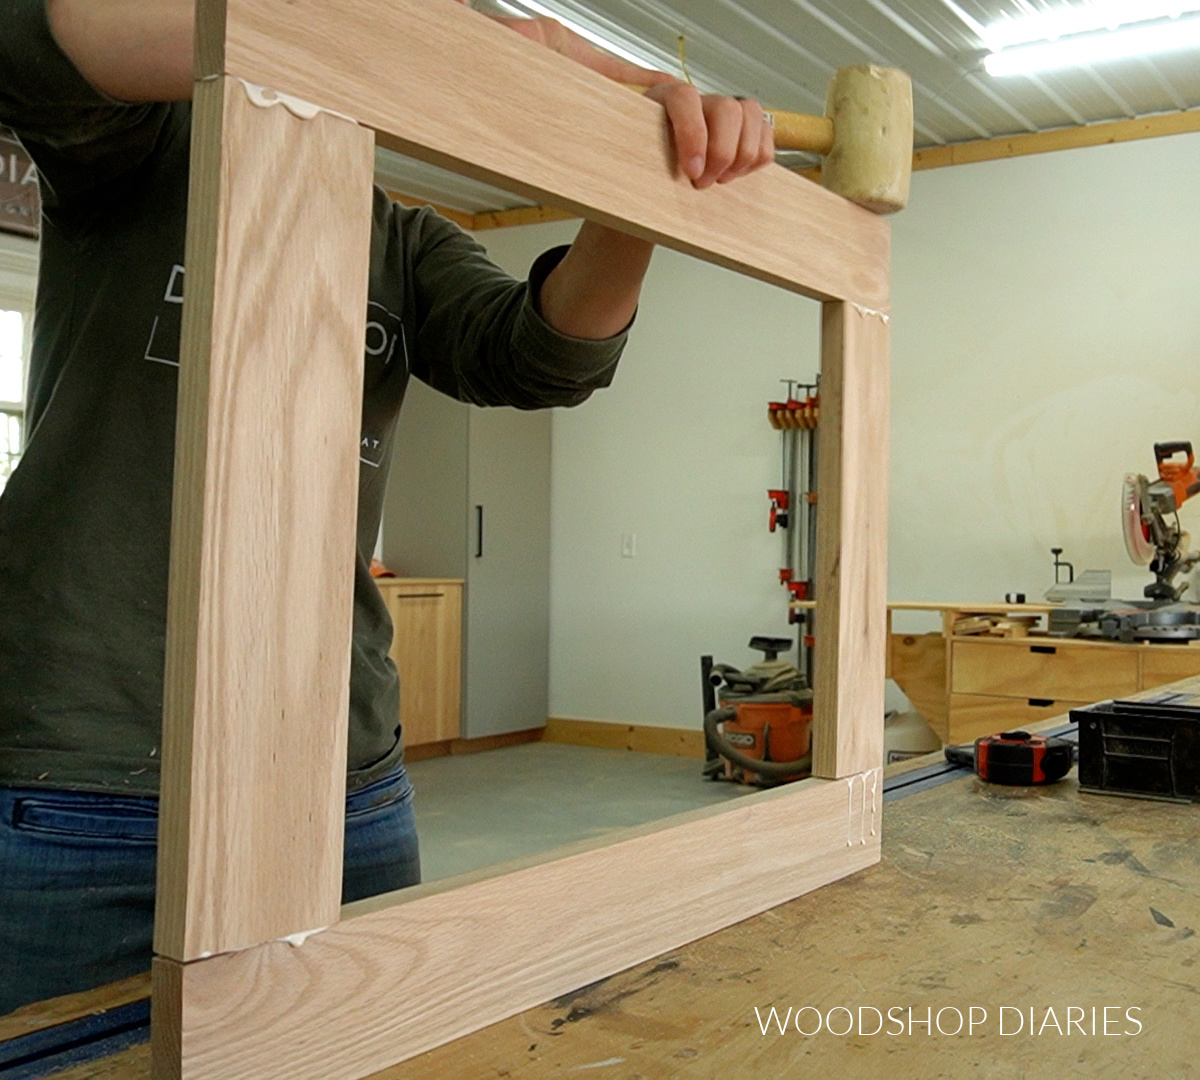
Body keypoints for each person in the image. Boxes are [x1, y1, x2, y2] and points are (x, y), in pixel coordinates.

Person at [0, 0, 774, 1016]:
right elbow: (46, 32)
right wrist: (474, 44)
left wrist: (638, 175)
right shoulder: (146, 149)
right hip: (86, 782)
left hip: (340, 778)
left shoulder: (400, 242)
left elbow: (546, 357)